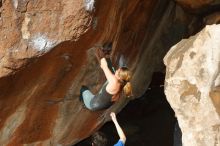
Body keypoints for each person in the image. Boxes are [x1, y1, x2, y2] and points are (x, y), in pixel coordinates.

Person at [79, 43, 132, 111]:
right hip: (107, 104)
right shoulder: (123, 82)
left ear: (119, 77)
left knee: (83, 88)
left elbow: (103, 65)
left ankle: (83, 102)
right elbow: (122, 68)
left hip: (93, 104)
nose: (117, 69)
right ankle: (107, 55)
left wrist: (99, 53)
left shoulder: (113, 80)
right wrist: (107, 56)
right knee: (112, 71)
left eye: (118, 71)